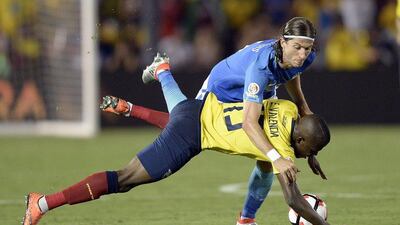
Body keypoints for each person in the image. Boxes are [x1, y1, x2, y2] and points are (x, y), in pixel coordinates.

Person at [23, 56, 331, 225]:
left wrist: (307, 151)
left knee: (261, 165)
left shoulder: (288, 109)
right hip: (192, 133)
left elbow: (300, 131)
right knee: (125, 179)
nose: (307, 154)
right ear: (299, 140)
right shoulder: (280, 147)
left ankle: (161, 72)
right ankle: (42, 203)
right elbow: (292, 199)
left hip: (199, 108)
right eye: (310, 150)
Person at [105, 17, 326, 225]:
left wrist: (306, 134)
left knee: (266, 157)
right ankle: (162, 73)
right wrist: (277, 157)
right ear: (283, 42)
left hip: (261, 87)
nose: (302, 54)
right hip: (224, 87)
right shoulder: (261, 66)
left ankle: (246, 220)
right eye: (297, 47)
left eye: (306, 49)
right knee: (187, 125)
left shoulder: (304, 55)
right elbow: (249, 123)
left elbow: (292, 72)